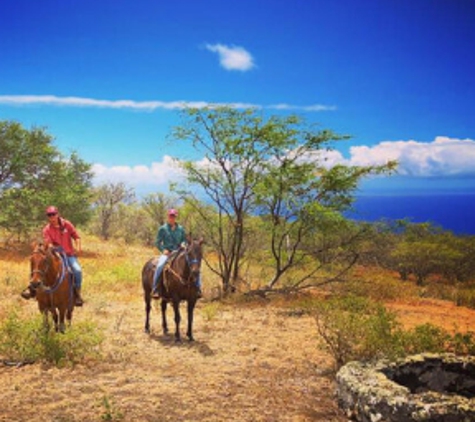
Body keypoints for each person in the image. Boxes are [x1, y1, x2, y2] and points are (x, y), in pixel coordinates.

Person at [21, 206, 84, 306]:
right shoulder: (46, 229)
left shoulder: (67, 224)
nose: (52, 217)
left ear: (57, 214)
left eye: (53, 214)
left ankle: (77, 294)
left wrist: (78, 247)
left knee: (77, 271)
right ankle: (32, 289)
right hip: (55, 254)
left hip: (69, 255)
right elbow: (49, 243)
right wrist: (54, 249)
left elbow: (76, 237)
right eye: (49, 215)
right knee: (39, 265)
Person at [151, 208, 202, 299]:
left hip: (180, 251)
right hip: (168, 252)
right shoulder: (162, 229)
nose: (172, 218)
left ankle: (197, 288)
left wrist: (183, 243)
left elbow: (184, 240)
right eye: (171, 216)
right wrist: (163, 250)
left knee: (194, 265)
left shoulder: (180, 229)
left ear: (176, 217)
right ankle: (156, 289)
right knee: (160, 265)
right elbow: (157, 242)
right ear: (168, 216)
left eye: (174, 216)